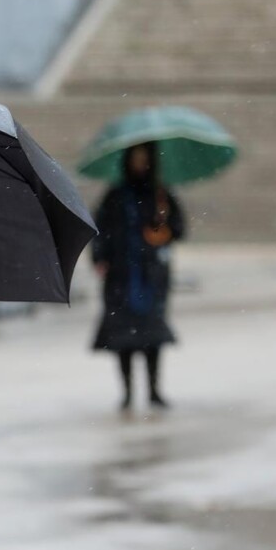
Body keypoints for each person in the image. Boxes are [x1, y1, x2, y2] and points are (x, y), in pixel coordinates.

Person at [91, 141, 186, 411]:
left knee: (152, 335)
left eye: (145, 159)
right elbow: (100, 230)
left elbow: (179, 229)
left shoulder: (161, 195)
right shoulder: (115, 196)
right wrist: (100, 258)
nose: (139, 164)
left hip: (152, 276)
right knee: (123, 338)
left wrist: (163, 224)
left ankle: (154, 391)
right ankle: (128, 392)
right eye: (135, 158)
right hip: (121, 276)